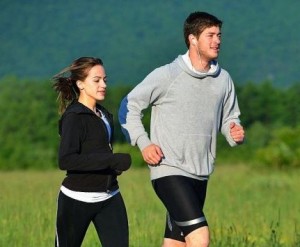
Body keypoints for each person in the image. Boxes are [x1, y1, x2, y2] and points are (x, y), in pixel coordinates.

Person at [118, 11, 245, 247]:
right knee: (200, 237)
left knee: (176, 243)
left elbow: (229, 118)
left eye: (219, 35)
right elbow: (129, 106)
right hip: (169, 169)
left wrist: (233, 131)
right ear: (192, 39)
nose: (217, 40)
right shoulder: (167, 75)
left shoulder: (223, 79)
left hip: (201, 173)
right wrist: (143, 143)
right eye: (210, 35)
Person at [53, 57, 131, 247]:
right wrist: (111, 161)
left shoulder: (104, 114)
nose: (103, 84)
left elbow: (96, 152)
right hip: (76, 199)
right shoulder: (74, 117)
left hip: (109, 196)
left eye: (105, 79)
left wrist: (112, 169)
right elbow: (67, 160)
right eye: (96, 80)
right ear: (80, 84)